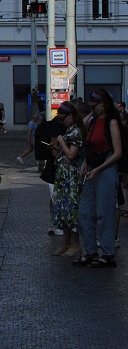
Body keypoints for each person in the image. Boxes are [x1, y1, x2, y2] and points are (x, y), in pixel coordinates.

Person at [74, 89, 123, 268]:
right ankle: (90, 251)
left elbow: (117, 152)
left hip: (106, 169)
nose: (92, 108)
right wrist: (86, 163)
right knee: (85, 213)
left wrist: (99, 169)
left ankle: (108, 253)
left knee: (104, 213)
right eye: (91, 106)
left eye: (95, 105)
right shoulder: (94, 121)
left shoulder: (112, 123)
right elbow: (86, 139)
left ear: (104, 105)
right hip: (93, 168)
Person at [49, 101, 84, 256]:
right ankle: (65, 242)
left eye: (62, 119)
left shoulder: (76, 132)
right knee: (63, 209)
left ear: (71, 116)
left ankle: (75, 244)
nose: (61, 122)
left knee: (71, 210)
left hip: (72, 177)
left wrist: (61, 142)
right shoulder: (70, 130)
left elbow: (71, 154)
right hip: (64, 176)